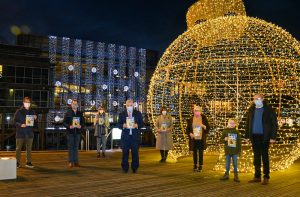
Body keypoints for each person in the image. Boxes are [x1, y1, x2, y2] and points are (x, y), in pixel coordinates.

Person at [245, 93, 278, 185]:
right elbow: (248, 123)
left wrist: (273, 137)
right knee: (256, 157)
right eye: (255, 99)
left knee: (265, 156)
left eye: (258, 98)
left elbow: (274, 124)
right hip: (254, 136)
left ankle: (266, 176)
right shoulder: (251, 109)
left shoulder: (269, 110)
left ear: (262, 99)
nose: (256, 100)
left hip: (265, 137)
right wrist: (247, 136)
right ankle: (257, 176)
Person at [118, 99, 144, 173]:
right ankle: (125, 167)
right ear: (125, 106)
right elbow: (118, 125)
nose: (129, 106)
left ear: (133, 105)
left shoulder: (138, 113)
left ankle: (134, 167)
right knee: (125, 153)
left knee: (135, 153)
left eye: (131, 105)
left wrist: (137, 125)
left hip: (135, 137)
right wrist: (123, 125)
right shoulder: (122, 114)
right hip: (125, 137)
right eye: (128, 105)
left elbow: (142, 123)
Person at [14, 97, 37, 168]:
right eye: (26, 102)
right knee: (18, 148)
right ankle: (17, 162)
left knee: (29, 149)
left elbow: (34, 124)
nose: (27, 103)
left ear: (30, 103)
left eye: (28, 102)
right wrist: (20, 124)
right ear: (23, 103)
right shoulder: (19, 111)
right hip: (20, 133)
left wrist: (35, 119)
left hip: (29, 133)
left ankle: (28, 162)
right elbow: (14, 121)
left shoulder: (33, 112)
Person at [186, 106, 210, 172]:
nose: (197, 112)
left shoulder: (204, 118)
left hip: (201, 138)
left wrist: (203, 126)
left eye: (198, 110)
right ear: (193, 111)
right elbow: (187, 130)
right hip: (194, 139)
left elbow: (208, 128)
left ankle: (200, 165)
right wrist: (190, 134)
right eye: (196, 110)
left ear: (201, 111)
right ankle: (195, 165)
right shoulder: (191, 119)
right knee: (194, 153)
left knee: (200, 152)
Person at [63, 99, 85, 168]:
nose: (74, 105)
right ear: (71, 105)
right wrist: (69, 126)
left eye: (75, 104)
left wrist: (81, 126)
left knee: (76, 148)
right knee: (70, 147)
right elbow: (64, 122)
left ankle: (76, 162)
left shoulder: (80, 113)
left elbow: (83, 122)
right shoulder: (68, 113)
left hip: (77, 133)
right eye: (73, 104)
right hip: (70, 133)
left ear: (77, 105)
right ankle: (70, 162)